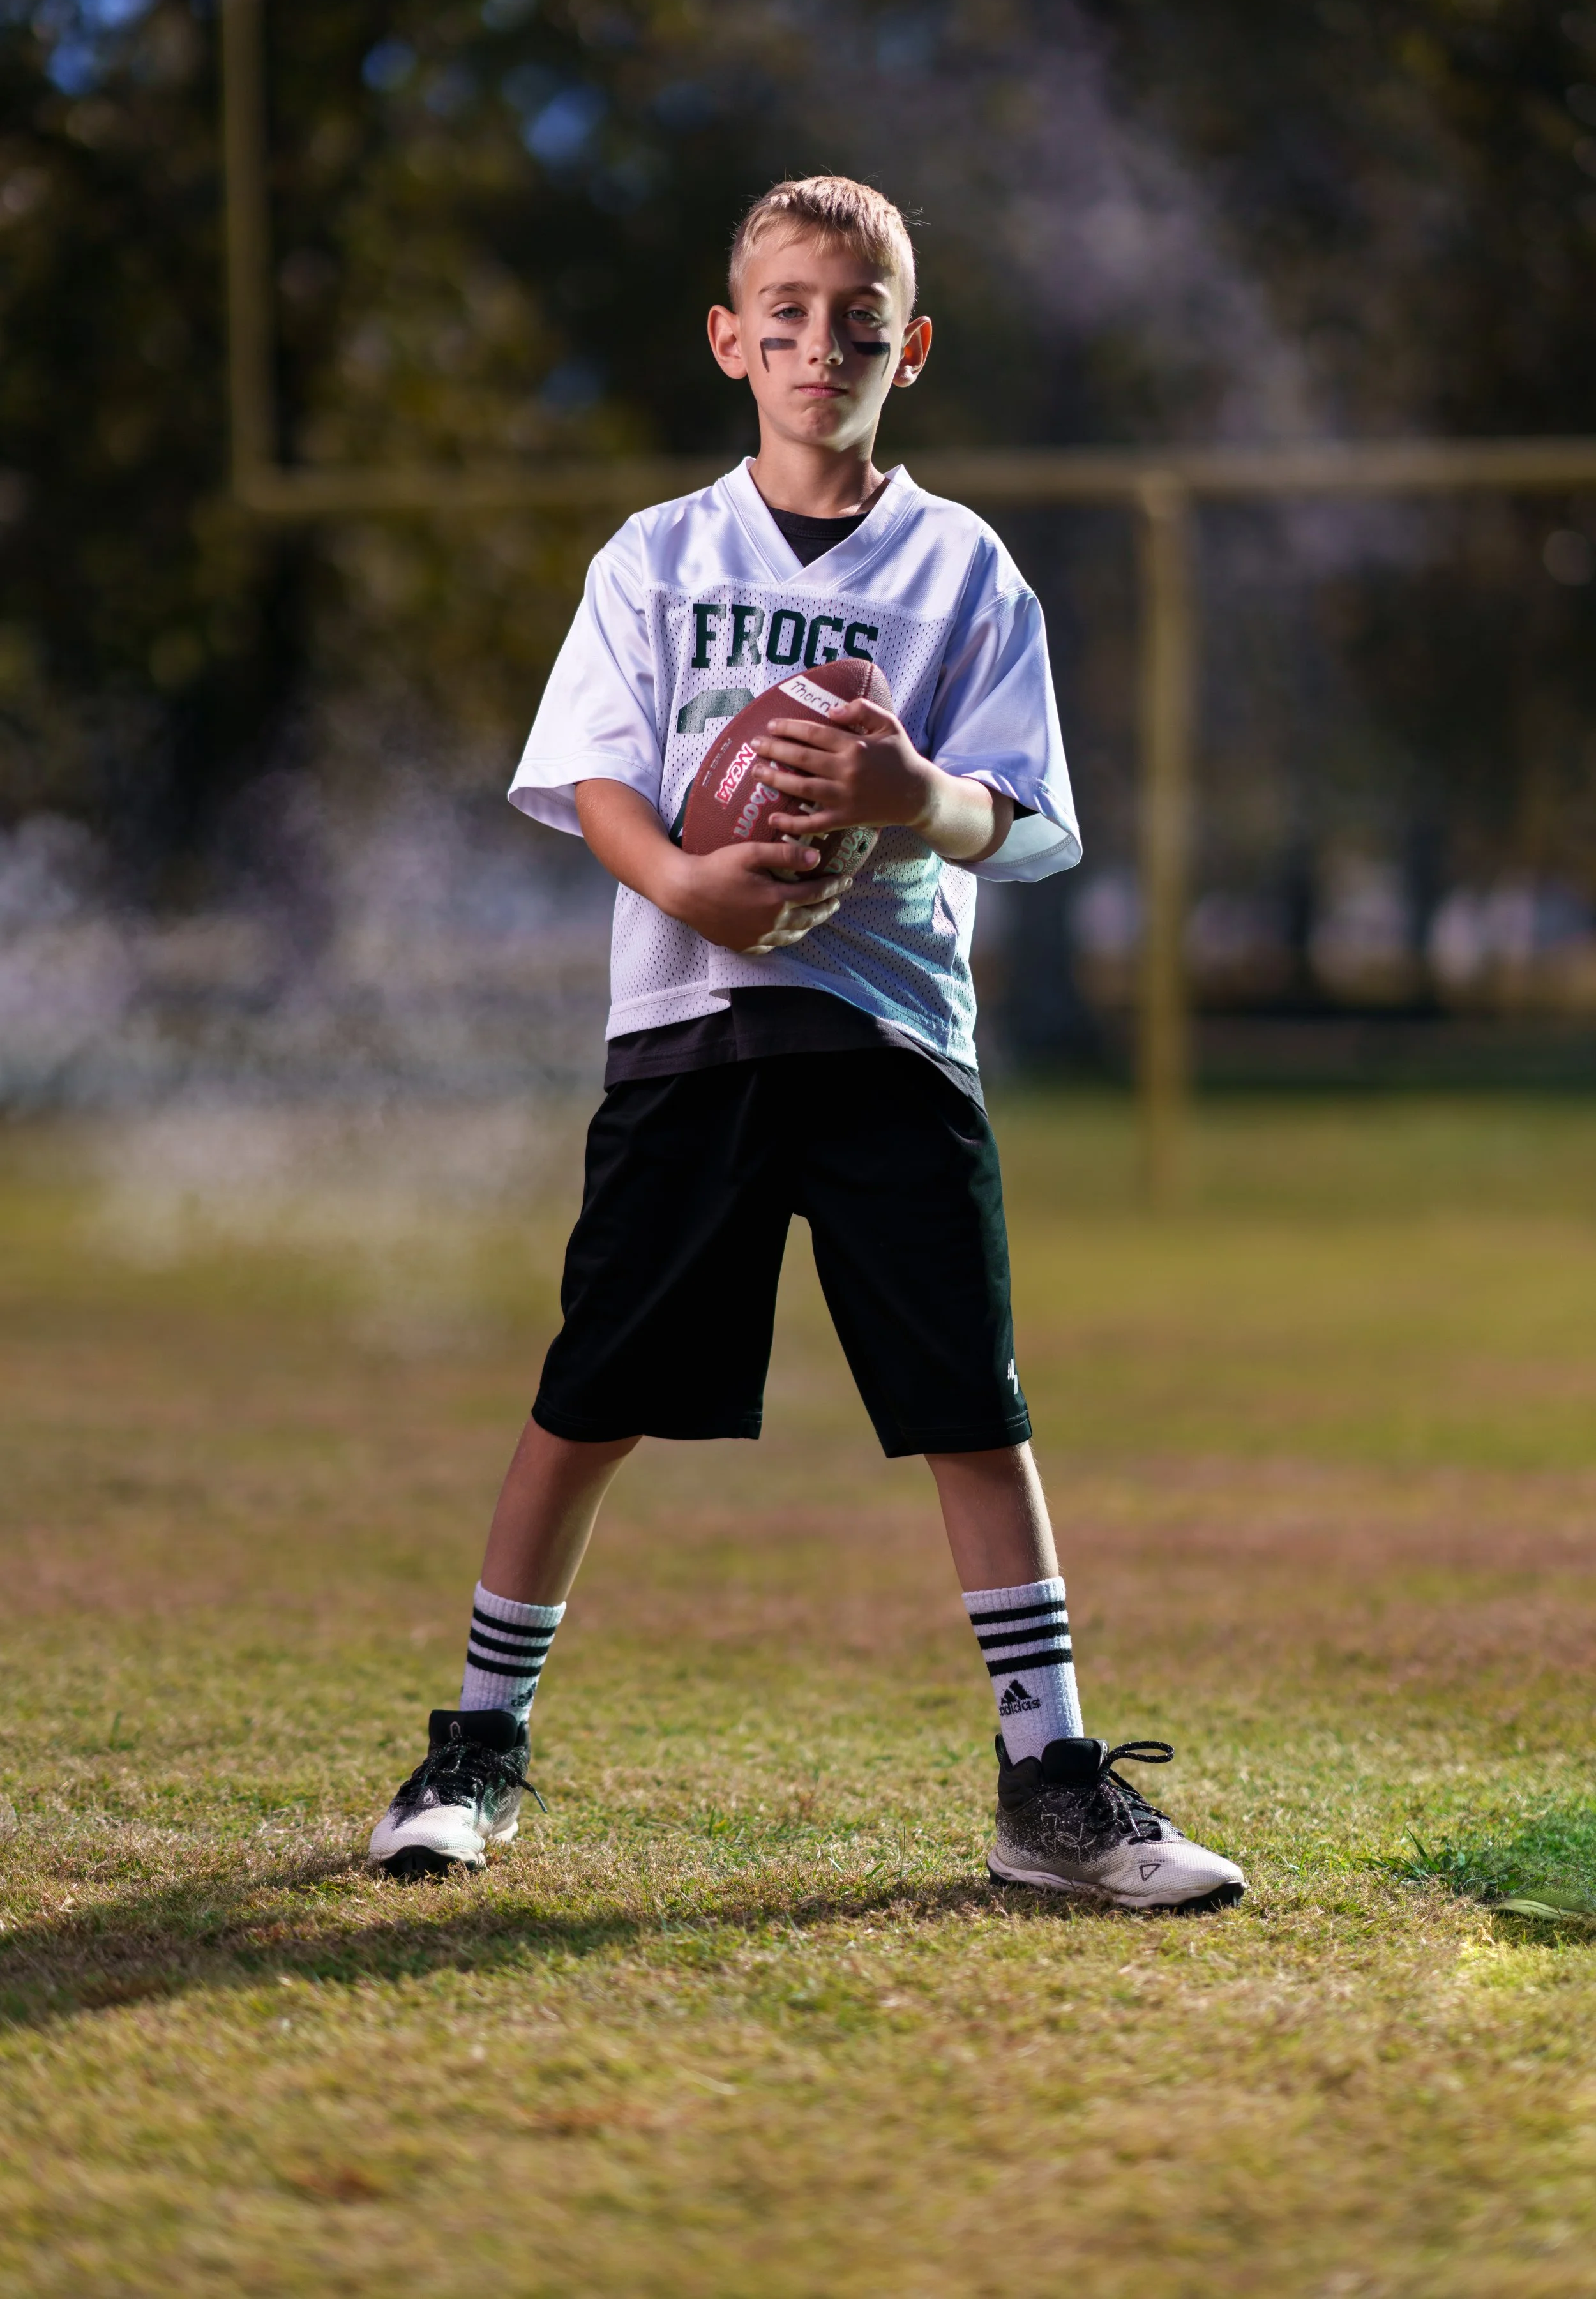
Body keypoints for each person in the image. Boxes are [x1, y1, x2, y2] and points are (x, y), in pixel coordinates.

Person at [368, 175, 1244, 1911]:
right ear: (728, 339)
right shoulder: (659, 554)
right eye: (782, 317)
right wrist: (691, 881)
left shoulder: (960, 565)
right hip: (691, 1031)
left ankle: (1046, 1784)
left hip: (891, 1034)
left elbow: (1026, 816)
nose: (814, 348)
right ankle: (475, 1742)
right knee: (589, 1396)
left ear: (905, 350)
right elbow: (591, 775)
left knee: (967, 1409)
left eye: (854, 323)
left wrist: (909, 795)